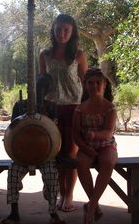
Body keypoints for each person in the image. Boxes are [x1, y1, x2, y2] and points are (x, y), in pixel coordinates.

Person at [0, 74, 65, 224]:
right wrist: (25, 116)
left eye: (45, 88)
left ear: (49, 90)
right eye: (38, 87)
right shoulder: (20, 105)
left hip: (46, 154)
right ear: (31, 88)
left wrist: (43, 113)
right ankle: (14, 213)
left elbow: (53, 130)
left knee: (51, 175)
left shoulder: (51, 106)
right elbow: (12, 129)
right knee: (13, 173)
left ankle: (53, 213)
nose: (41, 91)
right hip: (21, 155)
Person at [38, 14, 88, 212]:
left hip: (74, 108)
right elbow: (41, 83)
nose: (62, 34)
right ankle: (59, 191)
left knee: (71, 153)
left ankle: (69, 194)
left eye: (66, 30)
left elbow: (86, 83)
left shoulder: (79, 55)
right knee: (55, 154)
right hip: (51, 108)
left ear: (73, 32)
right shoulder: (45, 54)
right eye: (59, 29)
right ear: (53, 30)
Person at [72, 68, 118, 224]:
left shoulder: (109, 107)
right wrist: (84, 148)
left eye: (98, 82)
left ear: (104, 84)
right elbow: (76, 134)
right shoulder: (80, 108)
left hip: (106, 145)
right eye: (90, 83)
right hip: (87, 146)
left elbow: (108, 132)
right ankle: (95, 203)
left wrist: (95, 135)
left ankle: (91, 206)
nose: (94, 86)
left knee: (108, 161)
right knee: (81, 162)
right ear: (85, 86)